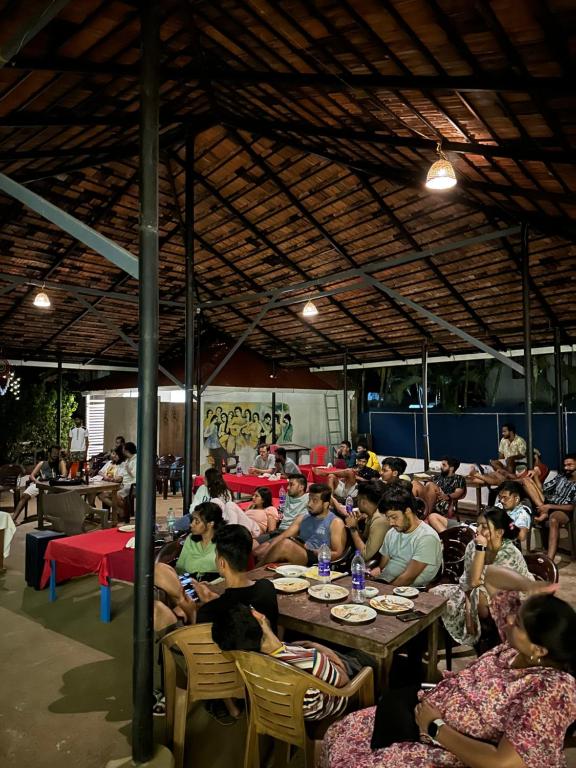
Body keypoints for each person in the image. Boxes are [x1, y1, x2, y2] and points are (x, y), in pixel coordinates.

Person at [319, 568, 576, 768]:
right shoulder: (514, 648)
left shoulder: (551, 690)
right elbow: (492, 576)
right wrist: (527, 585)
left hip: (452, 750)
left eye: (518, 623)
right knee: (340, 730)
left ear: (540, 649)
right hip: (425, 713)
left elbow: (504, 762)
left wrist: (435, 727)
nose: (509, 619)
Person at [212, 604, 349, 720]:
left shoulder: (247, 664)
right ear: (257, 615)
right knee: (361, 661)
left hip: (281, 710)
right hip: (325, 711)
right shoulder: (311, 661)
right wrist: (317, 647)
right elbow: (344, 681)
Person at [431, 506, 532, 648]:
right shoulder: (473, 545)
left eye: (484, 527)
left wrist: (481, 549)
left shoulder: (508, 553)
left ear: (499, 532)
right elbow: (467, 581)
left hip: (510, 599)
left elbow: (476, 582)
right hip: (476, 592)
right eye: (477, 525)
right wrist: (467, 612)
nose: (478, 530)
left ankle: (490, 644)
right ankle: (432, 645)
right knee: (433, 595)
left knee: (480, 599)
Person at [368, 484, 442, 588]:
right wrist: (376, 572)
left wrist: (384, 591)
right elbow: (383, 565)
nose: (391, 523)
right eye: (388, 518)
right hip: (385, 583)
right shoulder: (392, 532)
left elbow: (408, 578)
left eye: (394, 517)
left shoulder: (426, 537)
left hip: (408, 590)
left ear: (408, 511)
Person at [256, 483, 347, 567]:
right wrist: (268, 549)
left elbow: (338, 553)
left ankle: (254, 572)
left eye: (314, 501)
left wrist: (318, 553)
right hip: (300, 548)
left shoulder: (335, 522)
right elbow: (284, 535)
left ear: (325, 504)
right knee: (259, 551)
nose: (309, 504)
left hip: (315, 558)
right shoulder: (303, 518)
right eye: (309, 499)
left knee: (285, 545)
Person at [530, 453, 576, 561]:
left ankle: (549, 560)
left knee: (554, 519)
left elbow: (572, 507)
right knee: (526, 481)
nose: (566, 468)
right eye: (565, 465)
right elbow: (543, 489)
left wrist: (549, 506)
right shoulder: (561, 477)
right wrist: (536, 476)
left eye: (570, 465)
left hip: (562, 510)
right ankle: (544, 512)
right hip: (547, 503)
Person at [12, 445, 67, 523]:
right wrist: (37, 482)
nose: (55, 454)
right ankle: (13, 519)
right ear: (49, 453)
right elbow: (31, 476)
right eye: (54, 452)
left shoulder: (60, 462)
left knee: (52, 496)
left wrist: (61, 465)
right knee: (24, 496)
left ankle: (52, 517)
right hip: (40, 483)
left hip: (52, 484)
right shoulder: (42, 463)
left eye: (57, 453)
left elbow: (64, 474)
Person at [337, 481, 389, 561]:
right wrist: (355, 525)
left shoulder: (380, 520)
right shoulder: (371, 515)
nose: (357, 503)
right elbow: (363, 541)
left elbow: (365, 556)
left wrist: (352, 529)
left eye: (358, 499)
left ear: (364, 501)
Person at [422, 457, 467, 530]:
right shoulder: (436, 477)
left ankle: (426, 516)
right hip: (429, 498)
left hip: (443, 502)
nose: (441, 467)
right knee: (415, 484)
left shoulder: (459, 478)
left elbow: (458, 493)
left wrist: (447, 496)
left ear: (451, 468)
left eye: (444, 465)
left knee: (430, 484)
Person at [494, 480, 532, 547]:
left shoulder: (522, 513)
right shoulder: (499, 506)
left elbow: (522, 535)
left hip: (508, 548)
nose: (502, 501)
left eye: (505, 498)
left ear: (516, 498)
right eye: (500, 497)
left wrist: (507, 522)